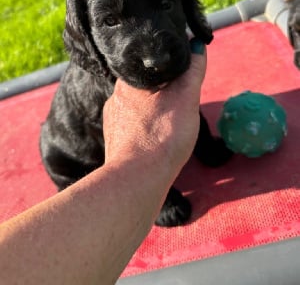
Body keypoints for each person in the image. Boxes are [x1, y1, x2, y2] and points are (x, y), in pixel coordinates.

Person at [0, 39, 206, 285]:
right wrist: (148, 175)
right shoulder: (95, 85)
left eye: (166, 5)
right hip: (71, 160)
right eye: (110, 21)